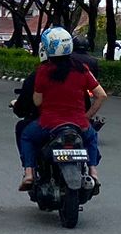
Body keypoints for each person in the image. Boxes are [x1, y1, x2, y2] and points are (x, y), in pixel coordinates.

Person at [17, 26, 106, 192]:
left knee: (26, 136)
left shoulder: (44, 71)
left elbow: (37, 101)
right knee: (92, 137)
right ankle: (93, 172)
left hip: (49, 124)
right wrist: (87, 117)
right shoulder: (82, 69)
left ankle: (29, 173)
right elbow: (101, 95)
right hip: (79, 124)